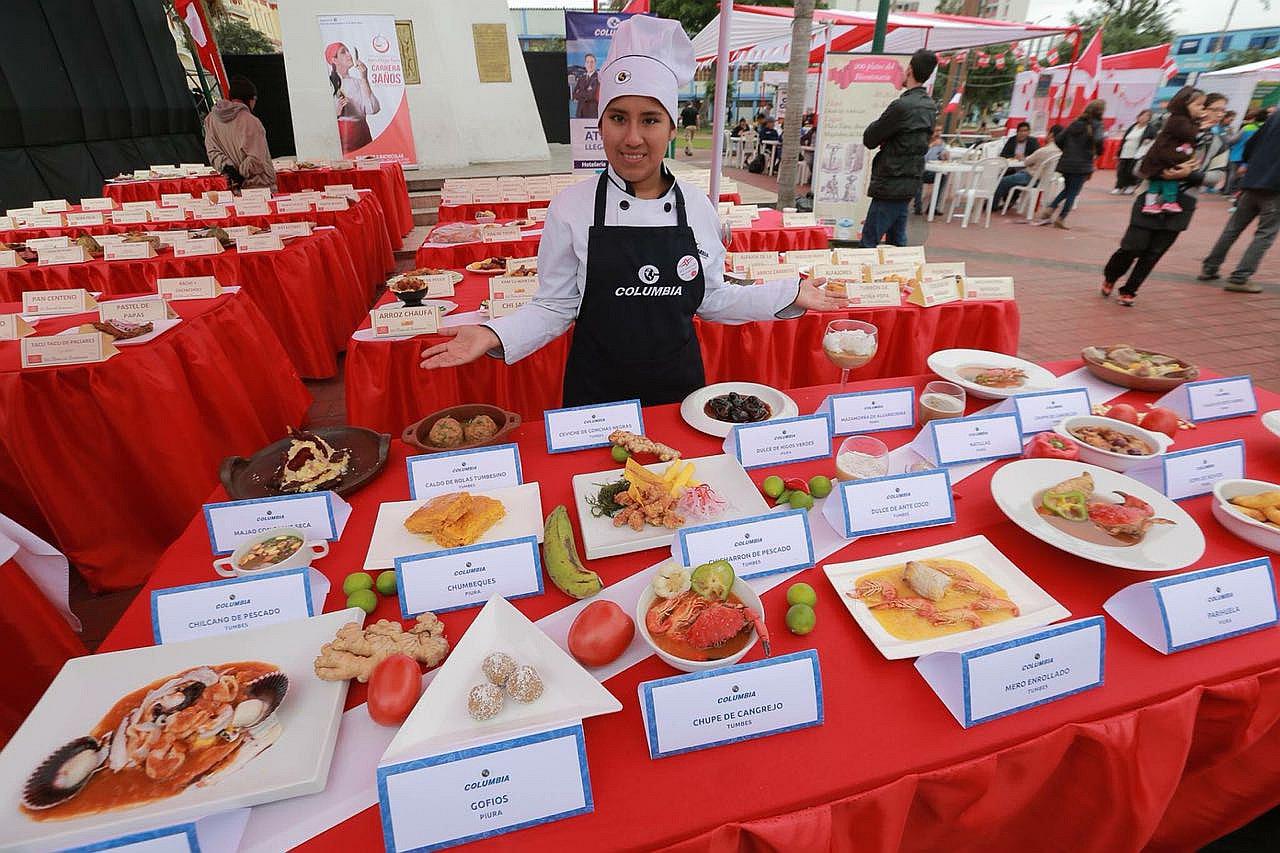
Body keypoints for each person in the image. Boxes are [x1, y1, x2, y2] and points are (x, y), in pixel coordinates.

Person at [418, 16, 843, 406]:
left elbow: (710, 297)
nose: (633, 137)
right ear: (600, 124)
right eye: (619, 118)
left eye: (651, 120)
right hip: (595, 390)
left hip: (678, 390)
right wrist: (494, 332)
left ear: (673, 128)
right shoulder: (572, 207)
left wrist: (788, 293)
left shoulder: (698, 207)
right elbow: (554, 306)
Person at [1100, 91, 1229, 306]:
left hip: (1183, 202)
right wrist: (1162, 172)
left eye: (1222, 110)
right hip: (1151, 196)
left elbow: (1216, 177)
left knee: (1154, 252)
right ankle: (1111, 276)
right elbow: (1138, 168)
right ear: (1198, 108)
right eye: (1212, 108)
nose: (1217, 114)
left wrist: (1187, 174)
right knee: (1133, 246)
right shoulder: (1170, 130)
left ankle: (1130, 290)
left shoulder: (1217, 144)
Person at [859, 49, 939, 247]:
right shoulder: (929, 106)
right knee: (897, 242)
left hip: (891, 182)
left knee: (869, 243)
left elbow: (870, 138)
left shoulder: (901, 106)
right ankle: (901, 276)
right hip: (909, 181)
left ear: (910, 70)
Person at [1198, 110, 1280, 293]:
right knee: (1265, 234)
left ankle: (1210, 267)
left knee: (1233, 227)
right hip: (1275, 188)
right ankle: (1240, 277)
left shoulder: (1276, 115)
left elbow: (1252, 143)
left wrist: (1249, 165)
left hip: (1253, 180)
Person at [1034, 99, 1105, 230]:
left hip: (1067, 162)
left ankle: (1050, 208)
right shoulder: (1097, 125)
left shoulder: (1075, 123)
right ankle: (1061, 217)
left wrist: (1067, 152)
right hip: (1083, 163)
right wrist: (1097, 151)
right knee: (1073, 191)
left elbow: (1059, 139)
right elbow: (1099, 141)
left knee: (1068, 189)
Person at [1138, 87, 1205, 214]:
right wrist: (1199, 123)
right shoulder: (1180, 120)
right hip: (1166, 160)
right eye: (1198, 105)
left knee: (1158, 181)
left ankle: (1152, 203)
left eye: (1203, 105)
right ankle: (1168, 202)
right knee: (1168, 180)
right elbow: (1189, 134)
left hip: (1161, 160)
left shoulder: (1177, 119)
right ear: (1185, 105)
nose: (1202, 109)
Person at [204, 76, 276, 191]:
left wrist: (230, 171)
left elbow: (212, 152)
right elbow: (257, 158)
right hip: (258, 187)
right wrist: (241, 174)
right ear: (250, 99)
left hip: (233, 187)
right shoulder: (251, 121)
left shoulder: (210, 119)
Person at [326, 42, 380, 154]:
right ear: (334, 60)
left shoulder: (358, 82)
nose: (349, 55)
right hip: (345, 136)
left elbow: (372, 109)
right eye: (343, 52)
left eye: (348, 51)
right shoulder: (329, 85)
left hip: (363, 132)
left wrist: (364, 78)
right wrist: (336, 112)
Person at [994, 124, 1061, 211]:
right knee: (1009, 175)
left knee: (1003, 181)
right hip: (1039, 177)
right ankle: (1007, 201)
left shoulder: (1040, 147)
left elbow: (1028, 161)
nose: (1023, 133)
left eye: (1025, 131)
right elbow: (1003, 155)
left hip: (1032, 176)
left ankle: (993, 205)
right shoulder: (1059, 150)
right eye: (1021, 131)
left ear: (1051, 134)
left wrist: (1023, 158)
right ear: (1017, 132)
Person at [1111, 109, 1155, 194]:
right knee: (1121, 170)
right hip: (1125, 151)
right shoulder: (1133, 126)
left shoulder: (1150, 129)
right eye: (1142, 115)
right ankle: (1119, 186)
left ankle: (1131, 185)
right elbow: (1124, 139)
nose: (1143, 118)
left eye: (1146, 116)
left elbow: (1153, 139)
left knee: (1131, 170)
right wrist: (1118, 152)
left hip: (1137, 153)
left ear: (1149, 118)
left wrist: (1148, 140)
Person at [1224, 110, 1261, 196]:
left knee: (1232, 173)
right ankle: (1235, 191)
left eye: (1247, 119)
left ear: (1253, 119)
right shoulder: (1259, 129)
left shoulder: (1247, 128)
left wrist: (1227, 135)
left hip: (1237, 153)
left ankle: (1227, 190)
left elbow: (1232, 140)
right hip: (1248, 155)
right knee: (1240, 174)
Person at [914, 126, 947, 215]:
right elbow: (920, 156)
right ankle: (918, 206)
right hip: (919, 170)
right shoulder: (922, 141)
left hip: (931, 170)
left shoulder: (941, 143)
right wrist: (931, 145)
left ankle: (933, 207)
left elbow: (942, 156)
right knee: (918, 175)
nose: (938, 133)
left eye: (940, 131)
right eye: (936, 130)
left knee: (943, 177)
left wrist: (944, 155)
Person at [573, 53, 600, 119]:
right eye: (587, 62)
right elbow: (574, 94)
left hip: (592, 114)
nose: (589, 64)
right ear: (585, 64)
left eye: (592, 62)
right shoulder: (581, 78)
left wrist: (579, 93)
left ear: (595, 64)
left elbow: (591, 96)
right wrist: (584, 93)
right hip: (579, 113)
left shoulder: (598, 78)